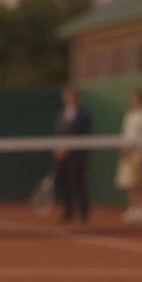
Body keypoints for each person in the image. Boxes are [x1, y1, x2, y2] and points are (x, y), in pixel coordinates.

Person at [53, 86, 93, 223]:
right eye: (67, 96)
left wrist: (70, 149)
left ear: (77, 98)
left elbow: (84, 135)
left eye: (72, 96)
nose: (70, 98)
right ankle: (68, 212)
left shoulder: (84, 115)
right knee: (65, 183)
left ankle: (83, 213)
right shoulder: (60, 115)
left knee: (78, 183)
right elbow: (57, 134)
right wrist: (58, 150)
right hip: (62, 156)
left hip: (77, 156)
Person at [115, 90, 142, 224]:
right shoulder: (129, 115)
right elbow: (125, 132)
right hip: (128, 153)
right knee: (130, 182)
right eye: (133, 98)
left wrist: (137, 149)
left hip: (141, 152)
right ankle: (132, 207)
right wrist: (124, 147)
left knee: (141, 181)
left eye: (136, 98)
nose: (133, 100)